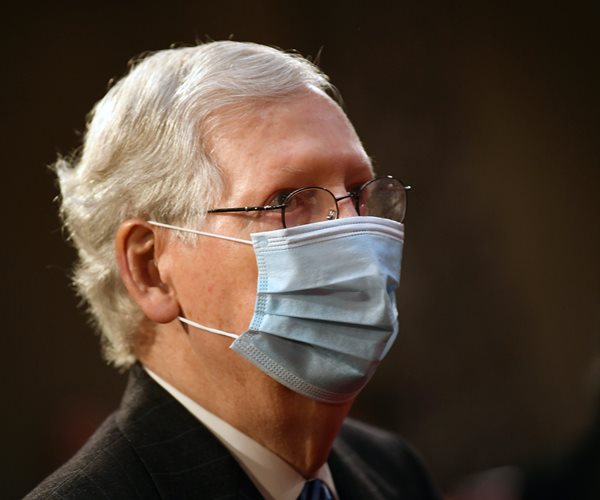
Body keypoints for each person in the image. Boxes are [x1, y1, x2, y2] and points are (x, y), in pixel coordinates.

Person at [27, 41, 440, 499]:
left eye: (361, 191)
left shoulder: (395, 472)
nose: (355, 233)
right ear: (151, 270)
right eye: (288, 200)